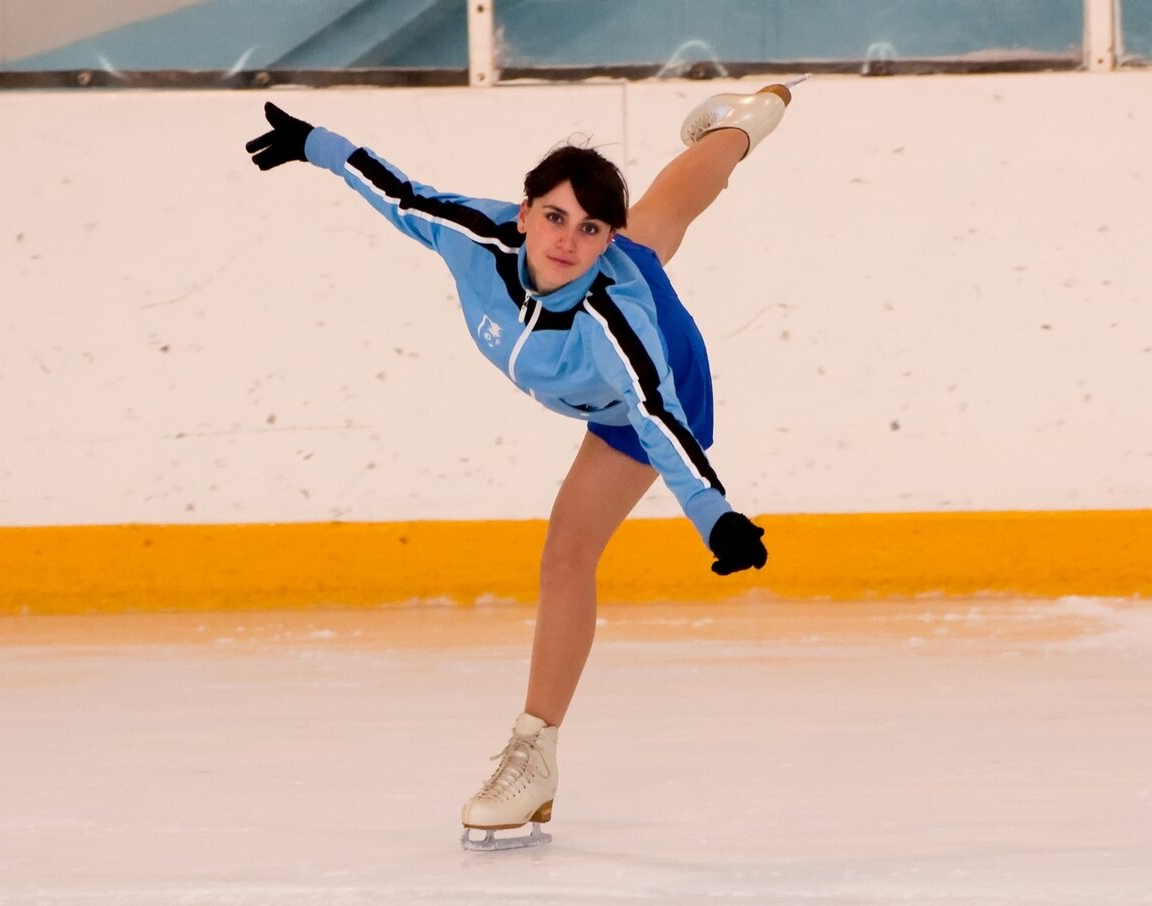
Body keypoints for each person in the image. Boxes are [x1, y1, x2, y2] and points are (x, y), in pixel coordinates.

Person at [246, 81, 795, 851]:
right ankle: (747, 122)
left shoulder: (617, 324)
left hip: (649, 393)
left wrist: (716, 517)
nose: (566, 241)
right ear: (524, 210)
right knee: (664, 219)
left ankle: (533, 756)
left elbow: (657, 418)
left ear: (604, 243)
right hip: (625, 310)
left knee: (567, 551)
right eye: (555, 217)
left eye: (590, 228)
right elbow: (401, 195)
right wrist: (319, 147)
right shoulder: (477, 236)